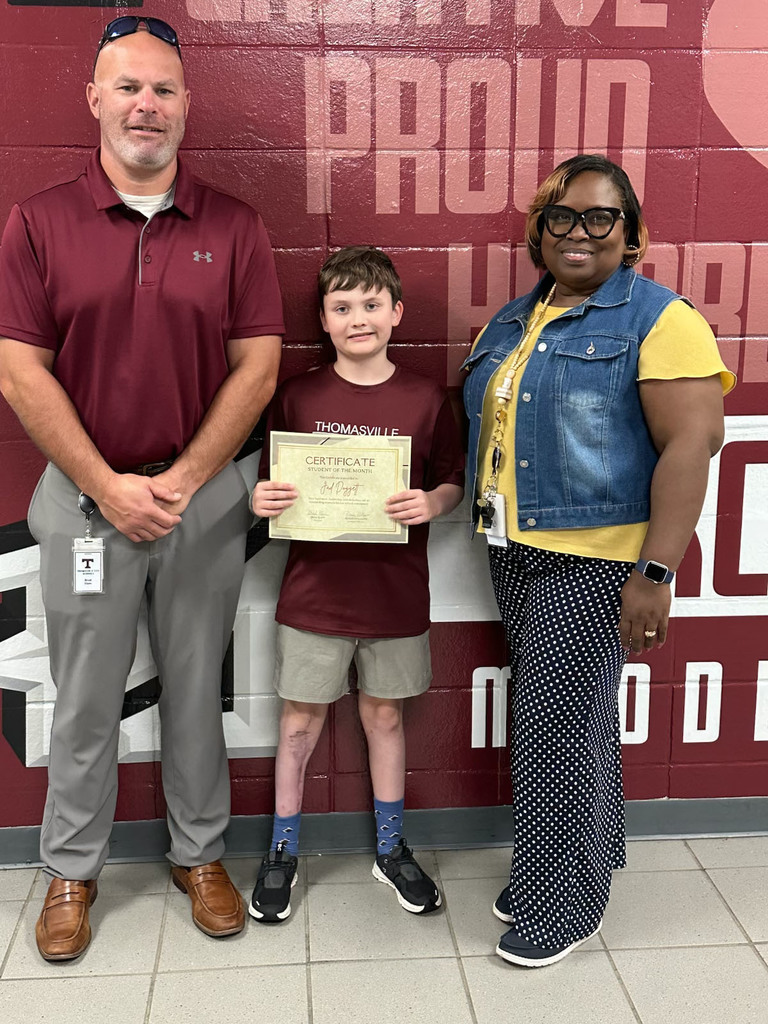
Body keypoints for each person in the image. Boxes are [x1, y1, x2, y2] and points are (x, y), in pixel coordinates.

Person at [0, 17, 284, 960]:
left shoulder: (235, 225)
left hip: (200, 499)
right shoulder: (39, 222)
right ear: (94, 99)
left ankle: (199, 857)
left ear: (186, 105)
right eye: (127, 87)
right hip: (84, 499)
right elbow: (20, 373)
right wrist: (108, 486)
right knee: (84, 695)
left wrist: (185, 479)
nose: (145, 106)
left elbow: (258, 368)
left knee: (197, 688)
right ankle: (71, 869)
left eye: (162, 89)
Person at [462, 154, 735, 968]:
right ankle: (583, 856)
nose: (578, 233)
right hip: (517, 548)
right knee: (577, 723)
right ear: (539, 232)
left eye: (599, 218)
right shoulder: (513, 319)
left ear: (630, 233)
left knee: (551, 729)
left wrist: (656, 572)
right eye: (562, 218)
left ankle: (561, 903)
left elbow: (694, 442)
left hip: (597, 560)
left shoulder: (660, 317)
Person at [248, 245, 464, 922]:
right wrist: (265, 502)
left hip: (394, 595)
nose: (358, 317)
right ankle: (282, 848)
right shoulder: (298, 395)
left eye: (372, 304)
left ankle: (391, 847)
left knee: (384, 716)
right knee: (298, 724)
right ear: (324, 318)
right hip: (313, 595)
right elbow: (270, 482)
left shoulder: (428, 397)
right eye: (343, 307)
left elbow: (454, 481)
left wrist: (433, 504)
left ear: (396, 312)